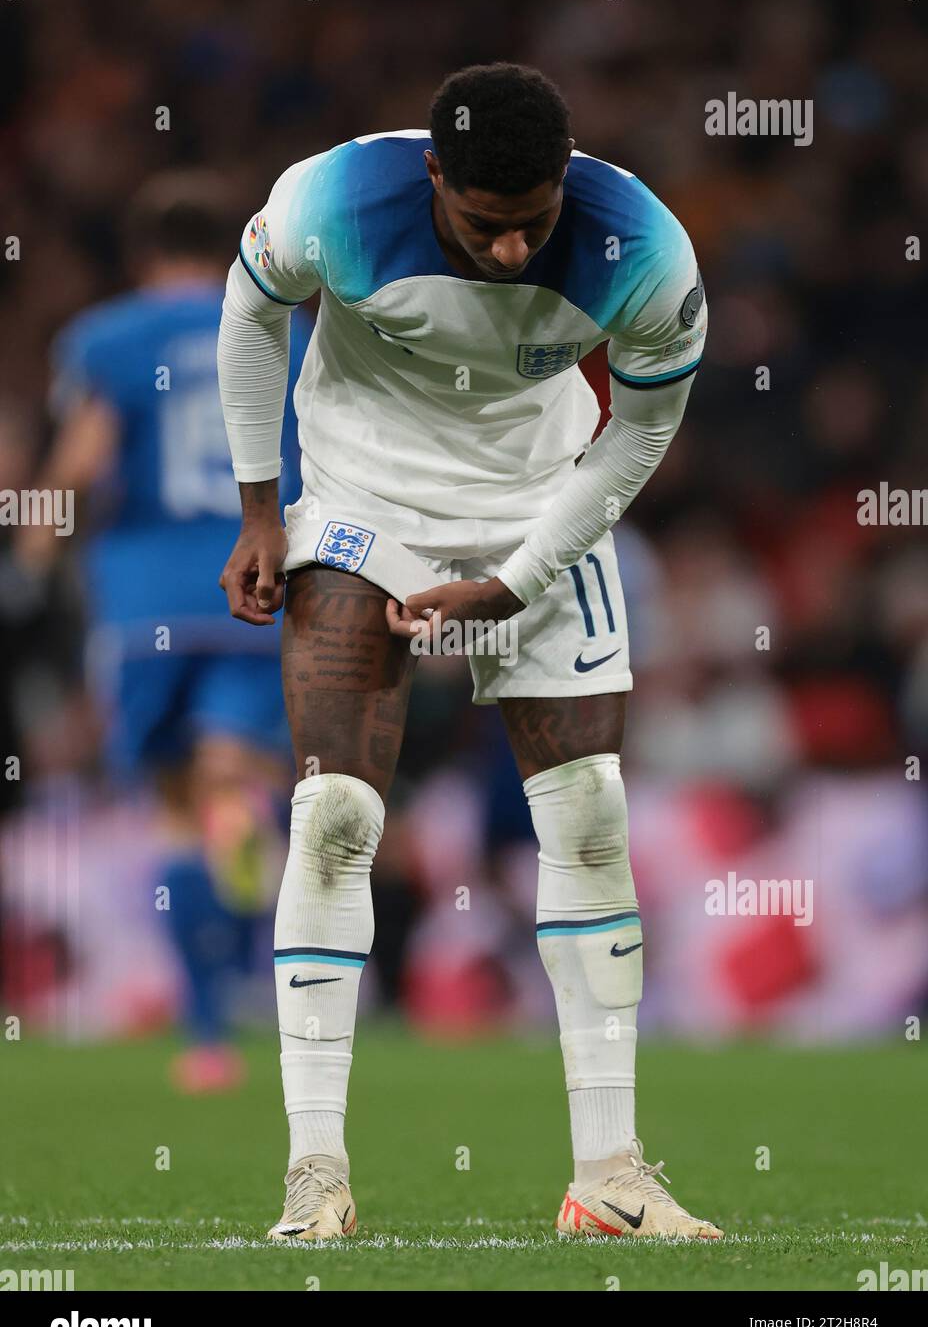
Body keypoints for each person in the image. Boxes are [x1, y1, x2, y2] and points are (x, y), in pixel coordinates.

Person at [218, 63, 721, 1238]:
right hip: (361, 497)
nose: (509, 253)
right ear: (434, 177)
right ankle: (316, 1175)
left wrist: (517, 578)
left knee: (591, 810)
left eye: (533, 225)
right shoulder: (333, 200)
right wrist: (258, 509)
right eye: (485, 226)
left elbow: (637, 435)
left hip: (543, 508)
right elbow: (251, 313)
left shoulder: (642, 245)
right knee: (333, 815)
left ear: (567, 184)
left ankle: (609, 1176)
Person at [32, 172, 310, 1090]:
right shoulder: (289, 331)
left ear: (142, 251)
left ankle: (204, 1035)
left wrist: (34, 550)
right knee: (238, 783)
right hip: (258, 586)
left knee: (171, 810)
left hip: (145, 604)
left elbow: (81, 467)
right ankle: (238, 953)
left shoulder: (110, 338)